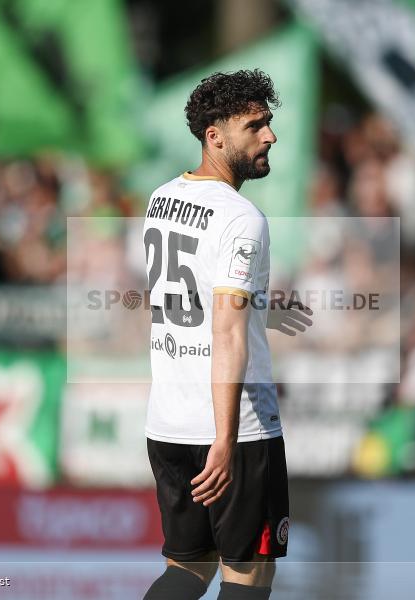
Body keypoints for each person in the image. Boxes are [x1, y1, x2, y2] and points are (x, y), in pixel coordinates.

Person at [142, 69, 290, 600]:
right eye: (255, 126)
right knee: (248, 581)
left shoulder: (161, 198)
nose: (270, 136)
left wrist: (262, 310)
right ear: (215, 136)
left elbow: (198, 299)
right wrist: (224, 440)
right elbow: (227, 334)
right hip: (234, 430)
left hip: (168, 423)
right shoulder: (242, 217)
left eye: (268, 123)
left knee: (187, 569)